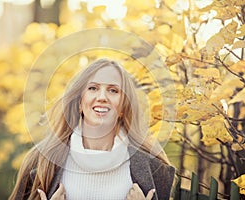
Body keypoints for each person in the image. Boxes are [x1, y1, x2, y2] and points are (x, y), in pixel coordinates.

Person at [9, 58, 175, 200]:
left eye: (113, 90)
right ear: (80, 102)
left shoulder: (154, 168)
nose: (102, 97)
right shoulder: (40, 162)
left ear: (124, 106)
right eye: (93, 88)